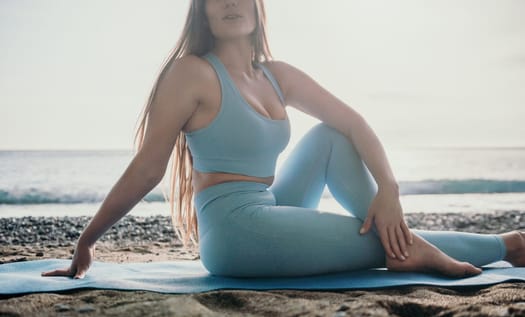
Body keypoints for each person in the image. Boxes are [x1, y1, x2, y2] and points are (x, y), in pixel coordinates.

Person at [43, 0, 525, 279]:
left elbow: (355, 123)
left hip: (271, 204)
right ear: (202, 12)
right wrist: (86, 242)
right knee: (384, 247)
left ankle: (405, 236)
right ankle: (507, 243)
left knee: (332, 136)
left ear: (257, 7)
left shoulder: (277, 76)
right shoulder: (190, 74)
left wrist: (390, 191)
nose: (229, 2)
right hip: (235, 230)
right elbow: (148, 169)